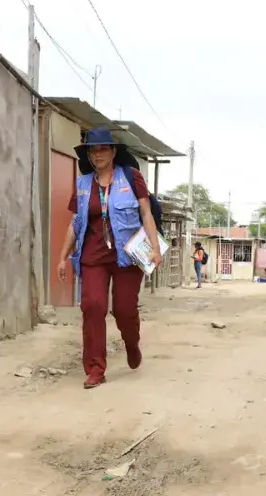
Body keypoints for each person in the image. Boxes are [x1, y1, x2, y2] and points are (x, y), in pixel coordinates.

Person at [56, 127, 163, 389]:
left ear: (114, 152)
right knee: (92, 307)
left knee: (124, 310)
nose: (98, 154)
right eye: (93, 150)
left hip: (128, 256)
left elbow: (146, 213)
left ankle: (131, 343)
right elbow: (75, 221)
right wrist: (62, 257)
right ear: (89, 155)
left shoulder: (131, 177)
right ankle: (95, 369)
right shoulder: (82, 185)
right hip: (93, 257)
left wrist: (156, 249)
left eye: (103, 148)